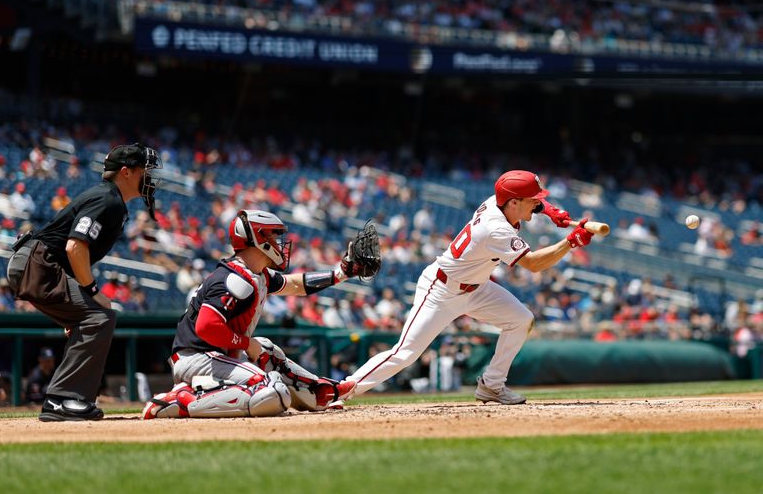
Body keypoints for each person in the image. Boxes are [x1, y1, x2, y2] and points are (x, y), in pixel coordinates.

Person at [334, 170, 593, 407]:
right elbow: (534, 264)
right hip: (441, 290)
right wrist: (570, 242)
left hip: (477, 287)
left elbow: (529, 200)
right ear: (514, 202)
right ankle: (339, 391)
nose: (537, 203)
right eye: (533, 200)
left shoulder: (499, 201)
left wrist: (550, 210)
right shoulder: (496, 229)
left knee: (521, 320)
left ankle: (492, 386)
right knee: (406, 353)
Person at [142, 209, 358, 419]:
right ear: (258, 238)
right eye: (274, 236)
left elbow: (294, 284)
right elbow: (206, 327)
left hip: (217, 355)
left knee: (267, 350)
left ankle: (319, 392)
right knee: (273, 394)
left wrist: (341, 274)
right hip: (196, 357)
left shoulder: (256, 274)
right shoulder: (233, 279)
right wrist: (246, 344)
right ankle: (181, 401)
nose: (279, 244)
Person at [6, 143, 161, 421]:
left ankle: (66, 397)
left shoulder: (112, 200)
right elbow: (75, 247)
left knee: (94, 317)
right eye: (143, 171)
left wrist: (75, 312)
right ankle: (63, 398)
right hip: (37, 264)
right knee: (100, 316)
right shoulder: (107, 199)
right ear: (126, 172)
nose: (148, 178)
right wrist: (92, 291)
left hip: (39, 264)